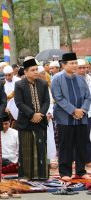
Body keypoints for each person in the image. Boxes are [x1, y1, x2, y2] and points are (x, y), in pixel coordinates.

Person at [51, 53, 91, 181]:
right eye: (72, 63)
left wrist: (83, 110)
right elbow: (58, 98)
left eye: (75, 63)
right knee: (65, 145)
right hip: (64, 118)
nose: (75, 65)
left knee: (81, 144)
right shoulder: (57, 78)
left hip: (82, 118)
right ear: (63, 65)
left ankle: (80, 171)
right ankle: (65, 172)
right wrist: (73, 110)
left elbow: (87, 96)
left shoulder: (81, 78)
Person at [14, 58, 50, 180]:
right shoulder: (19, 85)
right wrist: (32, 114)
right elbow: (19, 103)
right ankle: (26, 175)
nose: (35, 72)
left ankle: (41, 175)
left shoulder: (43, 83)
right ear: (25, 72)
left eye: (36, 69)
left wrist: (40, 114)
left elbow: (46, 101)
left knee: (41, 148)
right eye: (32, 70)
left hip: (40, 120)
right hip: (26, 121)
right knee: (26, 149)